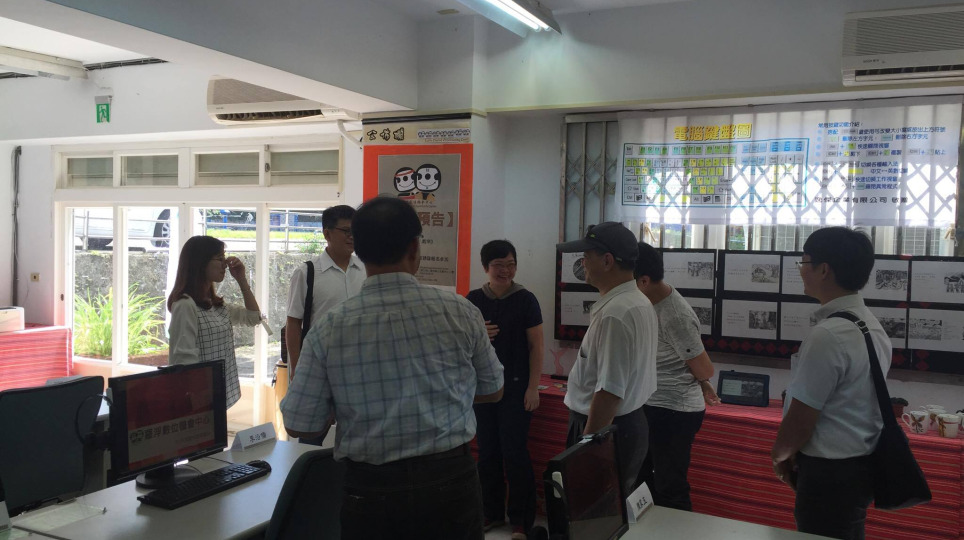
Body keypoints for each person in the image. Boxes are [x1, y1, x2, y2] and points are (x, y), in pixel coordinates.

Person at [280, 196, 504, 540]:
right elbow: (493, 389)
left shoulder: (329, 327)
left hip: (371, 491)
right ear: (414, 248)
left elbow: (299, 423)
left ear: (360, 250)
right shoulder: (461, 311)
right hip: (450, 482)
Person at [771, 227, 890, 540]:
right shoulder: (871, 326)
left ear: (824, 270)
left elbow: (802, 417)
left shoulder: (828, 335)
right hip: (860, 466)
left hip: (829, 473)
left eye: (804, 262)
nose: (801, 270)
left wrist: (780, 454)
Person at [556, 222, 658, 498]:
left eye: (586, 256)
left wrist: (587, 447)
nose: (582, 263)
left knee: (592, 510)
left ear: (607, 260)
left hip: (605, 429)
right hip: (625, 424)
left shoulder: (616, 313)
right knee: (610, 508)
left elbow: (610, 391)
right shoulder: (637, 301)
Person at [632, 242, 720, 511]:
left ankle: (677, 528)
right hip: (652, 403)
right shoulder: (649, 302)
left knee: (669, 486)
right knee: (640, 481)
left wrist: (703, 381)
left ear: (644, 281)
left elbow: (705, 369)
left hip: (674, 410)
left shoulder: (675, 316)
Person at [466, 240, 543, 539]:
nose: (506, 271)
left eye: (511, 264)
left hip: (516, 388)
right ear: (486, 267)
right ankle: (491, 512)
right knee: (487, 453)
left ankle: (521, 519)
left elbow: (536, 347)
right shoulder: (473, 300)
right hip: (483, 390)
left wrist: (533, 388)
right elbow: (461, 345)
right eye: (499, 265)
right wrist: (477, 334)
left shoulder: (526, 299)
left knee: (515, 452)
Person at [284, 205, 365, 446]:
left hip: (358, 367)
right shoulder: (307, 272)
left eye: (355, 231)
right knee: (311, 435)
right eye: (346, 231)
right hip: (320, 367)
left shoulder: (364, 270)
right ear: (327, 233)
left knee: (356, 433)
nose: (352, 237)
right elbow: (293, 323)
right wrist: (296, 368)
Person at [167, 235, 263, 409]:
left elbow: (254, 317)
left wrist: (241, 280)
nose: (225, 264)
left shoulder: (216, 305)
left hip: (217, 395)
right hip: (198, 401)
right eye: (219, 258)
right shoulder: (185, 305)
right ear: (200, 262)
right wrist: (200, 402)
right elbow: (184, 361)